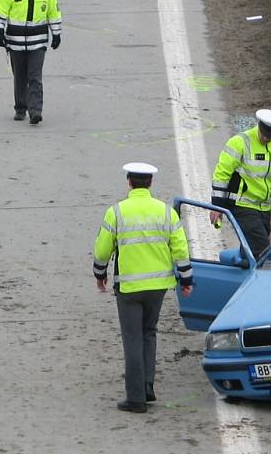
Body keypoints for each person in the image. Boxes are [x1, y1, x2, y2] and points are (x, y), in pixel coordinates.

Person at [92, 162, 193, 413]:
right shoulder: (167, 212)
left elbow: (103, 249)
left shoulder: (116, 212)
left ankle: (135, 398)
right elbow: (180, 248)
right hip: (158, 286)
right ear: (150, 183)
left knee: (132, 338)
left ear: (129, 183)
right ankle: (148, 385)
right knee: (149, 332)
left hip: (128, 288)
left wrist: (99, 274)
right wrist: (187, 279)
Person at [209, 109, 271, 258]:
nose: (265, 139)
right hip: (241, 204)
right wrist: (217, 205)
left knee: (251, 248)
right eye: (263, 135)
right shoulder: (240, 142)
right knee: (261, 249)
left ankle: (242, 271)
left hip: (264, 205)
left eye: (269, 137)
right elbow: (221, 174)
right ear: (259, 126)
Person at [0, 0, 62, 125]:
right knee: (20, 77)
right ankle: (20, 107)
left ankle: (35, 111)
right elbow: (0, 11)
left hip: (38, 43)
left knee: (35, 77)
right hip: (15, 43)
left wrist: (56, 33)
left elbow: (54, 13)